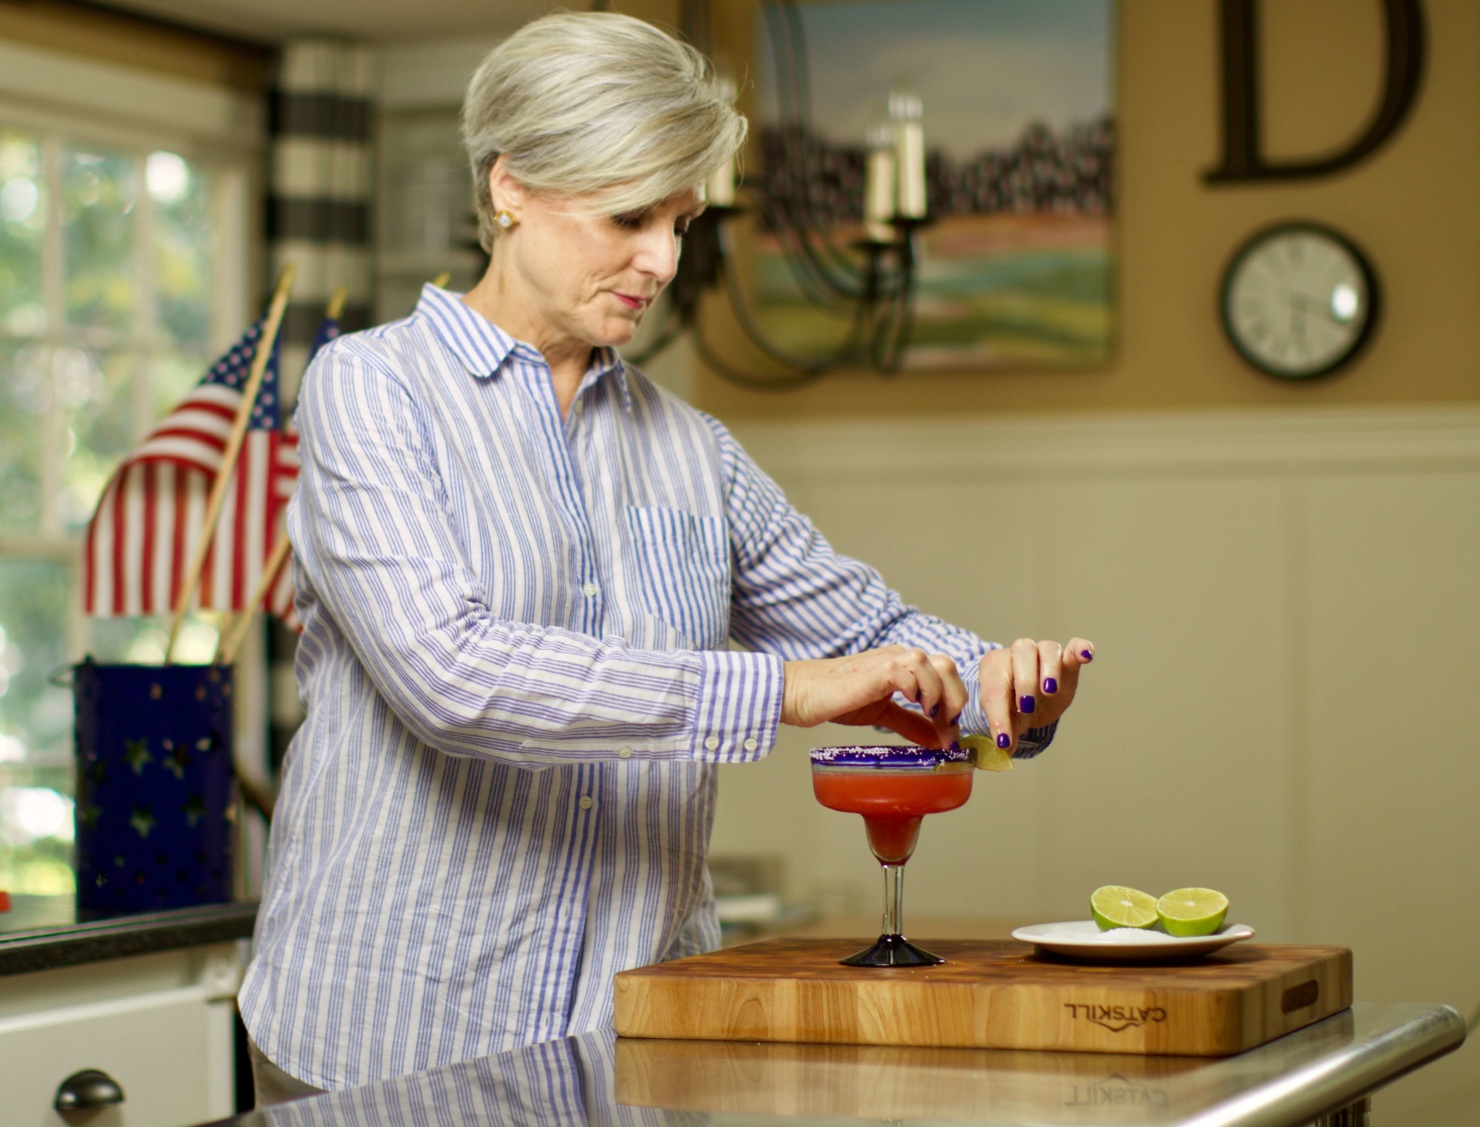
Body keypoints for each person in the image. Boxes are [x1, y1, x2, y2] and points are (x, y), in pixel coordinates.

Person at [239, 9, 1094, 1103]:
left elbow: (860, 636)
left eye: (682, 221)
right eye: (628, 216)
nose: (663, 260)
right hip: (384, 1034)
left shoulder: (694, 449)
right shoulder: (370, 387)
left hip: (631, 1030)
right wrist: (786, 691)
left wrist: (996, 682)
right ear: (508, 187)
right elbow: (452, 675)